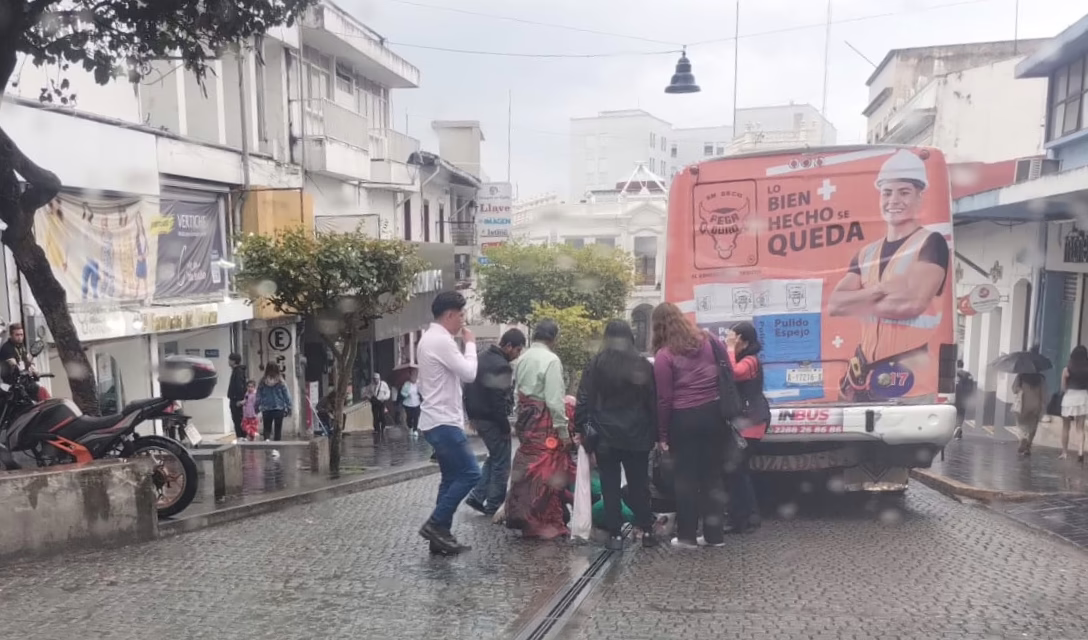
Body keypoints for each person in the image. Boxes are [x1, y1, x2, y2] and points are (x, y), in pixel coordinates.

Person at [829, 150, 950, 402]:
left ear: (920, 196)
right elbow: (835, 304)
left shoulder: (931, 243)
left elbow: (911, 304)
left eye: (904, 192)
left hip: (909, 377)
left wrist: (858, 301)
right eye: (887, 192)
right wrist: (879, 289)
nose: (893, 200)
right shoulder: (866, 253)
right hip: (864, 375)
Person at [651, 302, 730, 549]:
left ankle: (687, 536)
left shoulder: (665, 355)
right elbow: (725, 371)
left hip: (682, 419)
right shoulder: (710, 341)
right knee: (712, 478)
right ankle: (714, 535)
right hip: (714, 415)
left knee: (685, 480)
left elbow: (664, 398)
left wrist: (662, 433)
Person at [574, 319, 658, 550]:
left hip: (605, 435)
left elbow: (583, 399)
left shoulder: (596, 364)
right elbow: (653, 402)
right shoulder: (643, 365)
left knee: (609, 484)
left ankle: (615, 534)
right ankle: (647, 530)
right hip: (638, 434)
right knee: (639, 483)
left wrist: (581, 429)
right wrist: (657, 433)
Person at [416, 291, 481, 556]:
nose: (464, 320)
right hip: (443, 422)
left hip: (436, 419)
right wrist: (471, 345)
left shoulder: (428, 339)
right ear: (450, 314)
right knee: (471, 473)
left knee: (451, 477)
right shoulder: (441, 341)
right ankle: (434, 524)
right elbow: (469, 374)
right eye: (462, 314)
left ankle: (440, 536)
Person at [506, 320, 574, 540]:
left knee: (527, 468)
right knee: (546, 469)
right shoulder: (551, 360)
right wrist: (563, 432)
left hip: (527, 418)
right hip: (544, 420)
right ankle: (541, 519)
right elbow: (554, 400)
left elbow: (518, 392)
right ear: (553, 339)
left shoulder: (522, 358)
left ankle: (520, 513)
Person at [465, 328, 527, 517]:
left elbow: (467, 387)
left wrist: (471, 416)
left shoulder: (480, 357)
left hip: (478, 417)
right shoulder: (502, 365)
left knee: (495, 457)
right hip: (492, 420)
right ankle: (494, 504)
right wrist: (505, 426)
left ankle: (477, 495)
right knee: (502, 462)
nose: (517, 356)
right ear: (508, 346)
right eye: (517, 350)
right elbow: (498, 400)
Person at [723, 321, 769, 533]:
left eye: (734, 338)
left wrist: (730, 349)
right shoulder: (746, 358)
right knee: (738, 472)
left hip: (751, 423)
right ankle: (746, 516)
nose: (730, 342)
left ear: (745, 341)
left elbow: (734, 373)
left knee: (737, 471)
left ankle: (745, 517)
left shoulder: (750, 361)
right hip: (746, 422)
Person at [1061, 346, 1088, 461]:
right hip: (1083, 397)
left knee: (1065, 427)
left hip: (1069, 398)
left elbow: (1062, 388)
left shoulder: (1067, 369)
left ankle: (1064, 452)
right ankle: (1080, 452)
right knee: (1080, 428)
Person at [256, 362, 292, 441]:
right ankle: (276, 449)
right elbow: (287, 395)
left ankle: (267, 445)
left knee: (267, 429)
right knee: (278, 430)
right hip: (279, 408)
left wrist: (257, 407)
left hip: (266, 408)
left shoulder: (262, 381)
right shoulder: (280, 381)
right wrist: (289, 406)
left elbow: (258, 396)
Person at [1014, 372, 1046, 457]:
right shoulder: (1040, 378)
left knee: (1020, 424)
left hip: (1023, 404)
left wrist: (1020, 389)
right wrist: (1042, 405)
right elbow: (1043, 393)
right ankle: (1028, 445)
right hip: (1036, 405)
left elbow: (1014, 389)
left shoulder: (1020, 376)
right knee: (1032, 427)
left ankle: (1023, 437)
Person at [227, 353, 248, 440]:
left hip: (236, 401)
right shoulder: (236, 371)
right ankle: (241, 436)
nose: (228, 362)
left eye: (229, 360)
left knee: (237, 419)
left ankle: (241, 437)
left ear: (233, 361)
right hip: (235, 399)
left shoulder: (238, 371)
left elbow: (239, 386)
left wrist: (239, 400)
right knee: (237, 419)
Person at [364, 373, 392, 438]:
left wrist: (384, 398)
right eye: (374, 379)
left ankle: (383, 427)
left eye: (376, 379)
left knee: (382, 415)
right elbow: (366, 392)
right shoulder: (371, 386)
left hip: (381, 401)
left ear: (379, 379)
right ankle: (376, 429)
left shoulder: (383, 384)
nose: (375, 381)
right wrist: (369, 397)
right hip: (374, 402)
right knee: (375, 415)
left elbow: (388, 392)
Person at [954, 360, 976, 440]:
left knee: (953, 414)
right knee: (960, 415)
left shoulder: (953, 374)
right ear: (963, 365)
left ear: (957, 365)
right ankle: (958, 429)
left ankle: (954, 429)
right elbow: (971, 388)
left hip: (953, 398)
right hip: (963, 399)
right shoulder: (968, 375)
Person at [400, 369, 422, 433]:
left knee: (416, 417)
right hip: (408, 404)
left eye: (416, 376)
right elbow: (402, 393)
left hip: (417, 403)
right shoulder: (407, 384)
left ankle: (415, 430)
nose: (414, 378)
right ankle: (410, 427)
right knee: (409, 417)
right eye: (413, 376)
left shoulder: (418, 383)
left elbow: (422, 391)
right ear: (410, 376)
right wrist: (406, 394)